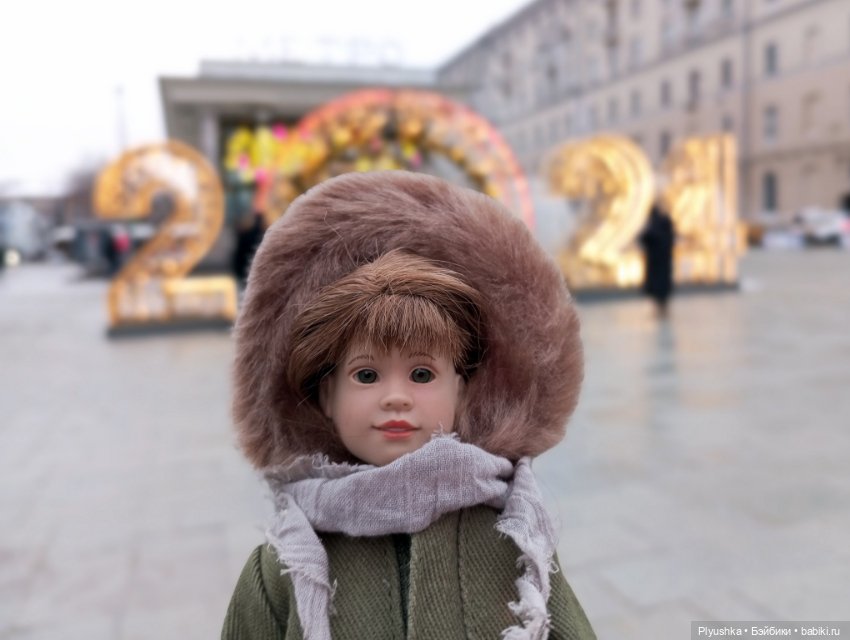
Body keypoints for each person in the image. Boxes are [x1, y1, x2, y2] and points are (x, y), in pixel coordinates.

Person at [222, 171, 595, 640]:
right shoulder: (285, 564)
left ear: (461, 390)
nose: (395, 396)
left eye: (422, 374)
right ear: (326, 397)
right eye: (366, 375)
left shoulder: (512, 538)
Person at [639, 203, 676, 318]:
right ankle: (661, 310)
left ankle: (661, 311)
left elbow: (645, 238)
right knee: (661, 292)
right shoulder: (663, 226)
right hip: (660, 265)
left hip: (658, 265)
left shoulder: (656, 226)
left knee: (660, 291)